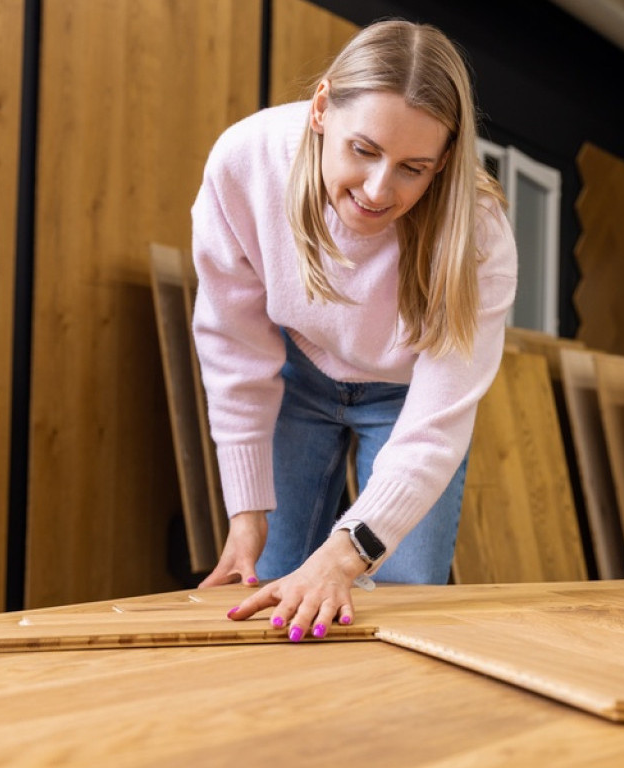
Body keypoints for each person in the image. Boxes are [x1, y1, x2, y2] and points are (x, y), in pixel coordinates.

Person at [189, 19, 517, 641]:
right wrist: (246, 510)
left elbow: (435, 425)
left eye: (413, 169)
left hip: (407, 399)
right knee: (282, 585)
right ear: (320, 107)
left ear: (444, 160)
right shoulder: (246, 161)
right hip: (298, 375)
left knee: (401, 602)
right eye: (363, 150)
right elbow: (232, 346)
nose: (377, 190)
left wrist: (348, 554)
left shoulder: (478, 234)